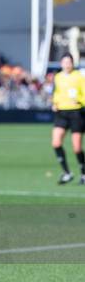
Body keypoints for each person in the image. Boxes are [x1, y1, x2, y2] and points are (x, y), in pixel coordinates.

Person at [51, 53, 85, 185]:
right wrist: (54, 103)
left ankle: (83, 173)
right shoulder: (58, 77)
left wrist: (80, 100)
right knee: (56, 143)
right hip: (61, 113)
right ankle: (67, 173)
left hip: (76, 113)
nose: (67, 64)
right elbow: (56, 93)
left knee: (76, 147)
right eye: (64, 62)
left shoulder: (79, 76)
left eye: (69, 62)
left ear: (72, 63)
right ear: (61, 64)